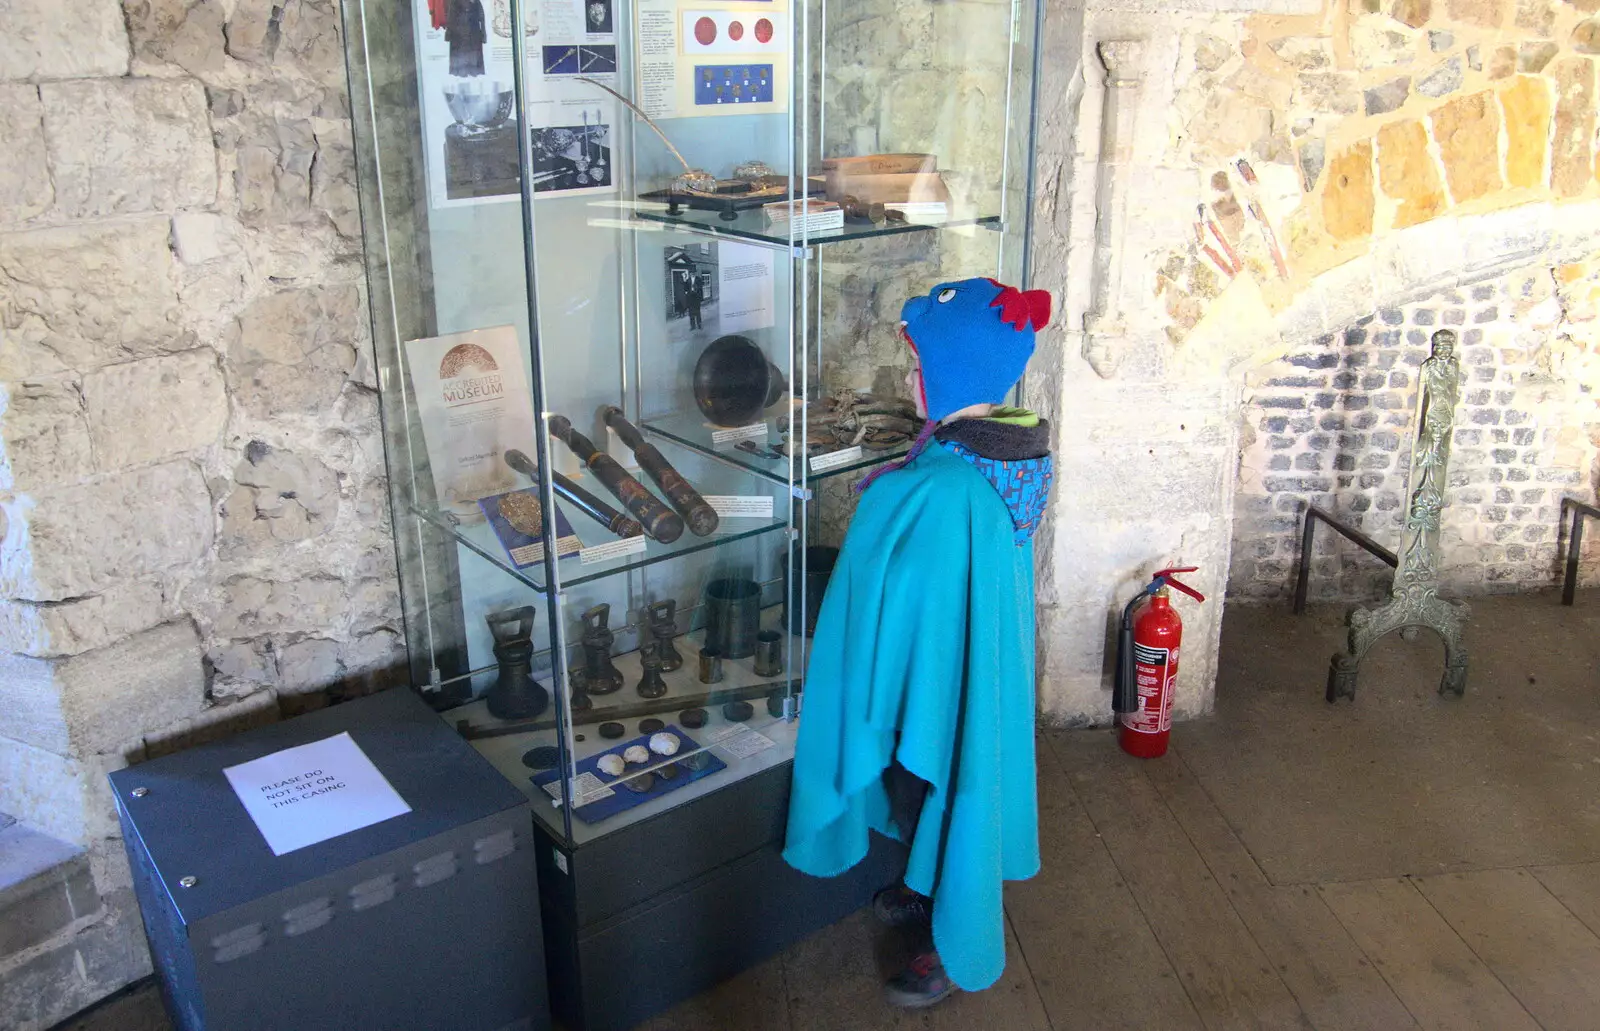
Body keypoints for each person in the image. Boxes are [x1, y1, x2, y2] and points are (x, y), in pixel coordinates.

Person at [783, 276, 1053, 1008]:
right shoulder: (1000, 451)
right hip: (961, 660)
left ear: (951, 374)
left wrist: (883, 504)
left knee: (936, 775)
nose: (908, 377)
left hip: (935, 672)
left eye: (917, 365)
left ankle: (949, 926)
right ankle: (925, 875)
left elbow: (895, 578)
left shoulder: (949, 489)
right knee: (934, 776)